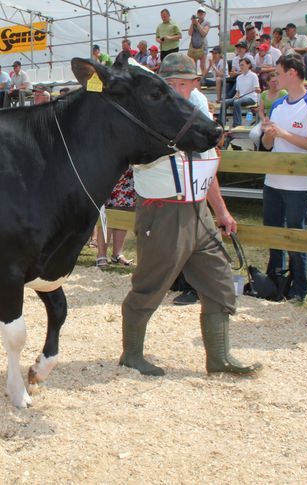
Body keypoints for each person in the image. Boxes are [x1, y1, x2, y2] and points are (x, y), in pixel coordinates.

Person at [120, 53, 260, 376]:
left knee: (219, 279)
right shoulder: (144, 116)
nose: (181, 90)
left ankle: (219, 357)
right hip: (163, 209)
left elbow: (208, 168)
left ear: (195, 84)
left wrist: (221, 210)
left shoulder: (199, 113)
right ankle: (131, 355)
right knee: (150, 284)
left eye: (186, 83)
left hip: (198, 209)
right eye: (173, 84)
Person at [260, 53, 307, 302]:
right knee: (272, 232)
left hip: (300, 181)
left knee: (297, 234)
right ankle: (276, 282)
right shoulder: (277, 105)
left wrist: (284, 134)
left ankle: (299, 288)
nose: (274, 78)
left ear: (292, 73)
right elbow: (267, 145)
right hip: (273, 180)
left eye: (278, 73)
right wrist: (268, 134)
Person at [94, 169, 135, 270]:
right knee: (108, 212)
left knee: (124, 211)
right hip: (111, 171)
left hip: (129, 174)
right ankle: (101, 255)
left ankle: (117, 254)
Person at [223, 58, 260, 127]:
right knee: (224, 102)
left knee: (237, 102)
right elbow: (238, 92)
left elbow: (257, 89)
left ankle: (237, 124)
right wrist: (235, 97)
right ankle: (222, 123)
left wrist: (258, 89)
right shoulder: (239, 77)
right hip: (241, 98)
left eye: (242, 65)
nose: (241, 67)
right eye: (240, 65)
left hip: (251, 98)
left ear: (248, 65)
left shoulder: (253, 76)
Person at [187, 7, 211, 75]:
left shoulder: (207, 23)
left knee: (202, 65)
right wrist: (192, 23)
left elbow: (204, 33)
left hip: (202, 47)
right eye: (199, 12)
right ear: (197, 13)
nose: (200, 14)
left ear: (205, 14)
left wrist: (197, 23)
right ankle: (194, 80)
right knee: (193, 66)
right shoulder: (194, 22)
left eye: (202, 12)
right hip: (194, 47)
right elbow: (190, 33)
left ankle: (204, 80)